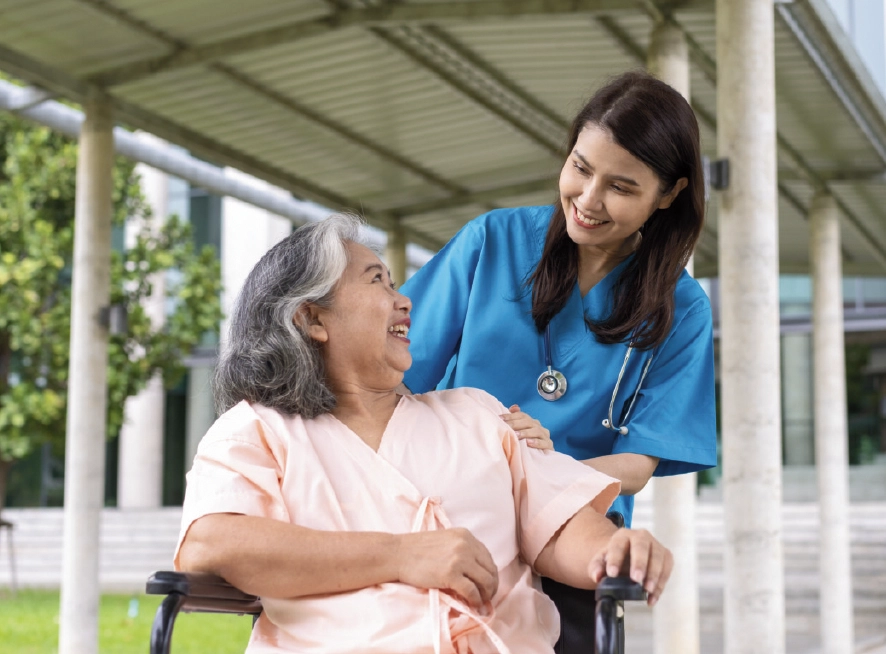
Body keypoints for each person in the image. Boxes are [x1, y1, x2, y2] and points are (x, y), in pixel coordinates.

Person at [176, 214, 674, 654]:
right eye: (379, 283)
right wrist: (402, 555)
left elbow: (562, 527)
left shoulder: (480, 415)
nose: (405, 301)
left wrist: (617, 549)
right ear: (312, 318)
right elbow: (212, 544)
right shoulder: (256, 429)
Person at [399, 70, 717, 649]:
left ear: (667, 195)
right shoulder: (490, 242)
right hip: (449, 513)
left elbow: (638, 463)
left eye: (621, 187)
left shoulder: (683, 310)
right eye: (580, 167)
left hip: (574, 533)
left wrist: (529, 470)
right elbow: (392, 374)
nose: (588, 201)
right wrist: (484, 458)